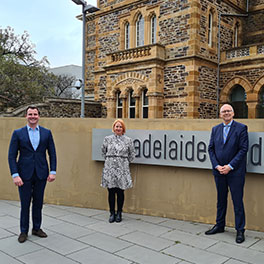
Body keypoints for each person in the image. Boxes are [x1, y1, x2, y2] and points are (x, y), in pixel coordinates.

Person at [8, 106, 57, 243]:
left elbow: (52, 153)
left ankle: (36, 228)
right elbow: (12, 156)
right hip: (23, 174)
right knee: (25, 204)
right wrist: (15, 174)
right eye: (30, 114)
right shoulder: (18, 133)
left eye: (35, 114)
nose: (33, 116)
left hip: (41, 173)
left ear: (39, 116)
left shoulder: (47, 133)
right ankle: (23, 231)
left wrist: (53, 171)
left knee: (38, 203)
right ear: (26, 116)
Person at [205, 104, 248, 243]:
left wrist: (230, 166)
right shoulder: (215, 129)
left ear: (233, 113)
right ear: (220, 115)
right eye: (224, 111)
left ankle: (240, 230)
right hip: (219, 172)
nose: (226, 113)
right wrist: (217, 166)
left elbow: (243, 149)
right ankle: (220, 225)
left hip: (235, 172)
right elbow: (211, 149)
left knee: (237, 202)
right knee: (221, 200)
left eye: (229, 111)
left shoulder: (241, 128)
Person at [101, 119, 135, 223]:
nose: (118, 128)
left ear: (123, 128)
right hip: (110, 167)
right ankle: (112, 213)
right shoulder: (107, 139)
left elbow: (132, 154)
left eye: (120, 127)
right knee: (111, 191)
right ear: (113, 128)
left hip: (122, 168)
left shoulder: (128, 140)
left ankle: (119, 213)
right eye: (117, 126)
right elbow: (103, 151)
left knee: (120, 192)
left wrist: (123, 162)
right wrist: (110, 161)